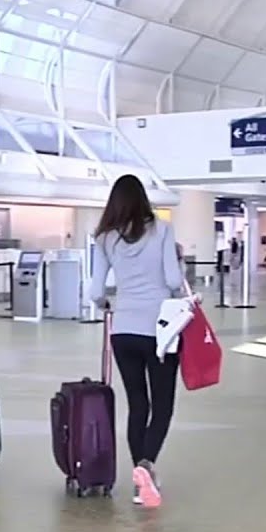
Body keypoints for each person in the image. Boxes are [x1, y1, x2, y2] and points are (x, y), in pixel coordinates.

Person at [87, 174, 188, 508]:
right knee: (162, 406)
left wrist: (107, 306)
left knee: (137, 404)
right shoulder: (161, 230)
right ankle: (146, 466)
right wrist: (180, 262)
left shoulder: (104, 238)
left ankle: (140, 480)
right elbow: (173, 280)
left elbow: (96, 292)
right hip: (160, 330)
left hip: (124, 330)